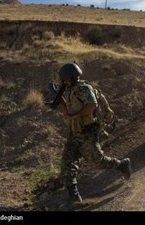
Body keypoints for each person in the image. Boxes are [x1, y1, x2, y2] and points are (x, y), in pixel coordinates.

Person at [56, 62, 132, 205]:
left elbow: (92, 105)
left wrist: (77, 115)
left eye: (65, 79)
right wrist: (62, 104)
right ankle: (74, 197)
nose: (63, 82)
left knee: (98, 162)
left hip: (87, 133)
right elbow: (68, 115)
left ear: (71, 77)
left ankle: (122, 164)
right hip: (75, 133)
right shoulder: (70, 91)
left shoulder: (84, 88)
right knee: (67, 163)